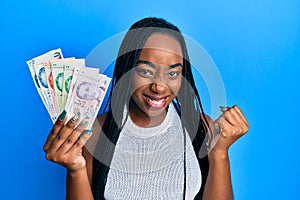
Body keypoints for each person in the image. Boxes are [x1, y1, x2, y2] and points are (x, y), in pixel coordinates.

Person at [43, 17, 249, 200]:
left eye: (173, 74)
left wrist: (220, 152)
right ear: (127, 70)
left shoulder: (200, 126)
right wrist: (75, 169)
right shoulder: (96, 132)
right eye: (145, 71)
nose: (159, 86)